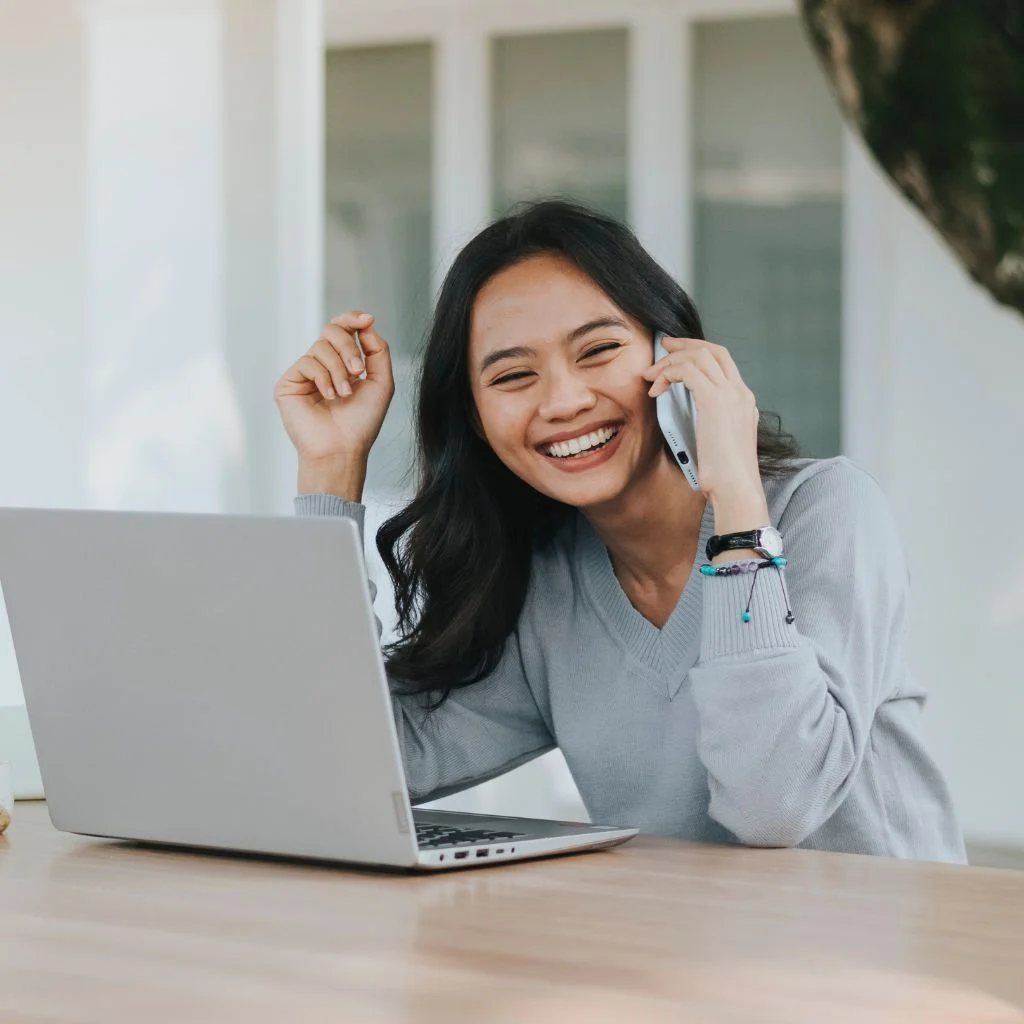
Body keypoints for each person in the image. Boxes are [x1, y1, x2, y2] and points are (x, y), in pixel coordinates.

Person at [274, 199, 965, 862]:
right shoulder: (549, 586)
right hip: (680, 965)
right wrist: (331, 470)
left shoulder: (827, 511)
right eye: (514, 374)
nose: (566, 401)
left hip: (886, 967)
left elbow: (775, 803)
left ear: (673, 354)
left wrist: (737, 509)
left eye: (598, 350)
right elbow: (343, 764)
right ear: (478, 420)